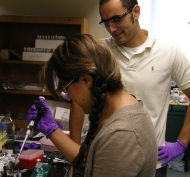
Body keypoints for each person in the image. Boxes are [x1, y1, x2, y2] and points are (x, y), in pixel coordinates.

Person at [69, 0, 190, 177]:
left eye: (116, 19)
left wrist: (181, 143)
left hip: (152, 162)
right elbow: (78, 97)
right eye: (105, 22)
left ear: (136, 12)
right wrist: (76, 149)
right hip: (108, 156)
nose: (111, 28)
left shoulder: (167, 51)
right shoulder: (101, 52)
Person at [27, 34, 157, 176]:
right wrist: (51, 129)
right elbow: (89, 162)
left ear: (87, 80)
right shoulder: (117, 111)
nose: (69, 96)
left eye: (66, 87)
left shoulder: (122, 135)